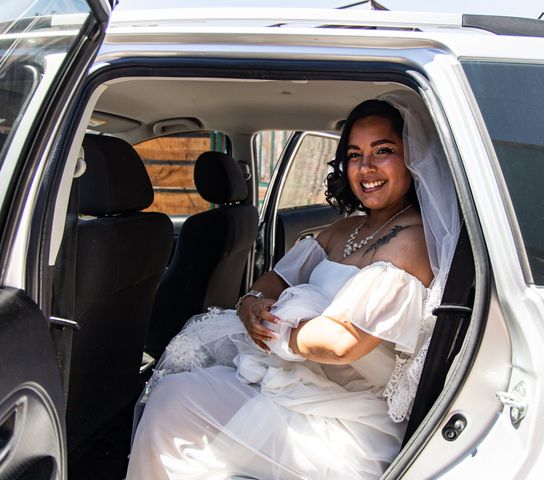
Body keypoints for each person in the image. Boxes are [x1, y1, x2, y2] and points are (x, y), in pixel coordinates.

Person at [126, 93, 460, 480]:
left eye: (382, 150)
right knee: (178, 394)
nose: (366, 167)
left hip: (348, 420)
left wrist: (272, 327)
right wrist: (251, 303)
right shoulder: (344, 230)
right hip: (302, 387)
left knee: (175, 402)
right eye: (354, 155)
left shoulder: (411, 243)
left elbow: (342, 343)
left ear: (412, 158)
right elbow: (273, 280)